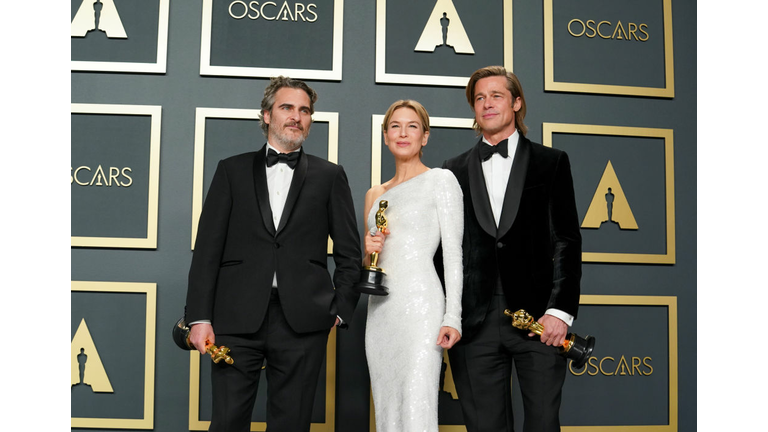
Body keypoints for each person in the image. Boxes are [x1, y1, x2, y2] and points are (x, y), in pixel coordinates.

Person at [183, 76, 361, 432]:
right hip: (235, 318)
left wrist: (339, 311)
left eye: (304, 110)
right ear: (266, 115)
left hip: (303, 321)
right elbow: (207, 249)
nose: (296, 116)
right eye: (286, 108)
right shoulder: (230, 170)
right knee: (228, 422)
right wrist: (199, 316)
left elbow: (349, 253)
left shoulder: (330, 176)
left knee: (291, 424)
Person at [441, 66, 582, 432]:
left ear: (517, 103)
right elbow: (445, 250)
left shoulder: (552, 162)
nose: (487, 104)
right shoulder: (451, 171)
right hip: (475, 323)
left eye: (497, 96)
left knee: (542, 423)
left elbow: (567, 240)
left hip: (539, 320)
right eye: (479, 98)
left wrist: (560, 312)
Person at [363, 100, 464, 432]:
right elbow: (372, 263)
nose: (402, 133)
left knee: (417, 405)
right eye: (395, 126)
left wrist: (453, 316)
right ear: (385, 135)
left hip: (422, 310)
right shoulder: (374, 194)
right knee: (387, 409)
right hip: (380, 313)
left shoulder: (441, 181)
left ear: (425, 137)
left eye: (412, 126)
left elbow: (452, 253)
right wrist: (369, 252)